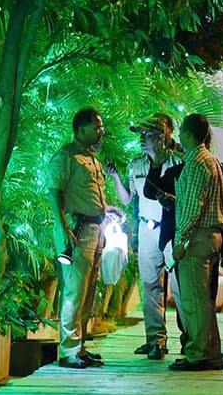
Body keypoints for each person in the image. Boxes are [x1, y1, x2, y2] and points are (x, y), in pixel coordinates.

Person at [108, 113, 183, 360]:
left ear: (163, 136)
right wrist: (117, 178)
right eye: (140, 134)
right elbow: (129, 199)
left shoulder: (179, 162)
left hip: (172, 228)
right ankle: (155, 340)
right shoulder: (136, 164)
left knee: (181, 287)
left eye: (147, 134)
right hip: (147, 228)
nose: (142, 139)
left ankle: (190, 339)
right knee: (150, 284)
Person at [47, 107, 109, 369]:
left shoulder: (92, 158)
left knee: (88, 292)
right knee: (74, 290)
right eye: (96, 127)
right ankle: (68, 350)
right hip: (77, 231)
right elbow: (54, 193)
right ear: (81, 129)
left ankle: (80, 347)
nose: (101, 131)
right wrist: (63, 229)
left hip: (96, 229)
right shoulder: (66, 157)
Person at [168, 113, 223, 371]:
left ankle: (198, 354)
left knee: (194, 301)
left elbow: (193, 208)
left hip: (197, 238)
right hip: (212, 236)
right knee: (203, 299)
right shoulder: (211, 160)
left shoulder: (195, 164)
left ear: (190, 134)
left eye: (181, 132)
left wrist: (180, 241)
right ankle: (211, 352)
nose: (179, 136)